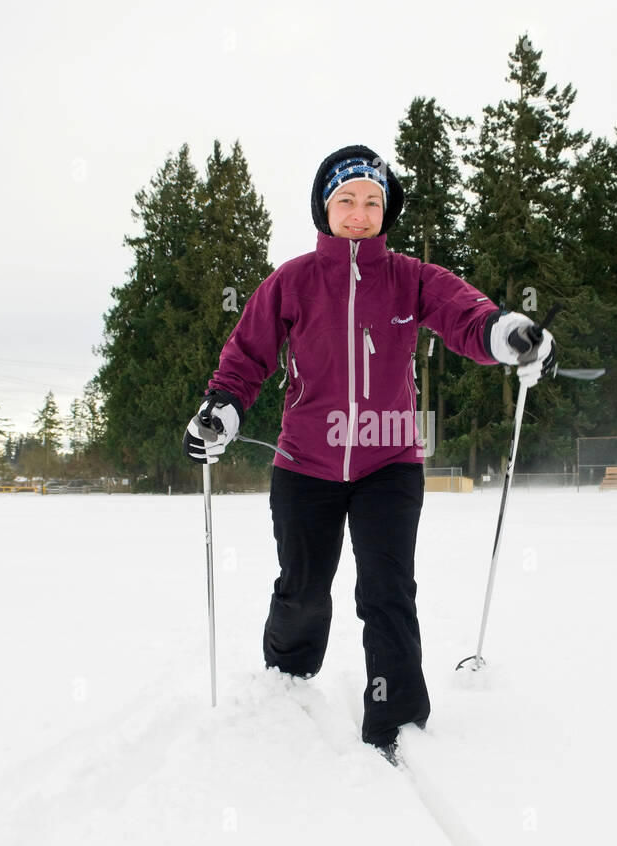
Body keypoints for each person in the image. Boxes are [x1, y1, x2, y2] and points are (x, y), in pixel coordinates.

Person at [182, 144, 556, 762]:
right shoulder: (292, 281)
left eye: (373, 202)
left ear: (387, 211)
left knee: (386, 589)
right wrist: (222, 405)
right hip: (305, 463)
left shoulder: (411, 277)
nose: (359, 214)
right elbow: (247, 355)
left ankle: (397, 718)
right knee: (303, 588)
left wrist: (506, 334)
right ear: (325, 208)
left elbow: (467, 316)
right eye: (347, 200)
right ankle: (288, 684)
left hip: (389, 462)